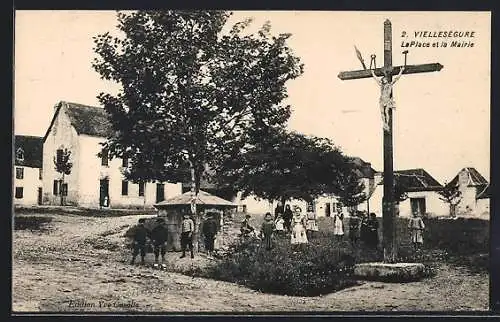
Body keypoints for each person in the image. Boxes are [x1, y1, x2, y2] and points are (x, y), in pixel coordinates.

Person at [370, 66, 405, 132]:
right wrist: (372, 73)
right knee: (382, 112)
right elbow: (376, 79)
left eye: (384, 79)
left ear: (386, 80)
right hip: (382, 100)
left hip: (387, 100)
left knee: (386, 112)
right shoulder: (381, 85)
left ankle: (387, 124)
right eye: (383, 79)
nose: (383, 80)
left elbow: (396, 78)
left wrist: (401, 71)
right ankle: (384, 124)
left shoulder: (389, 85)